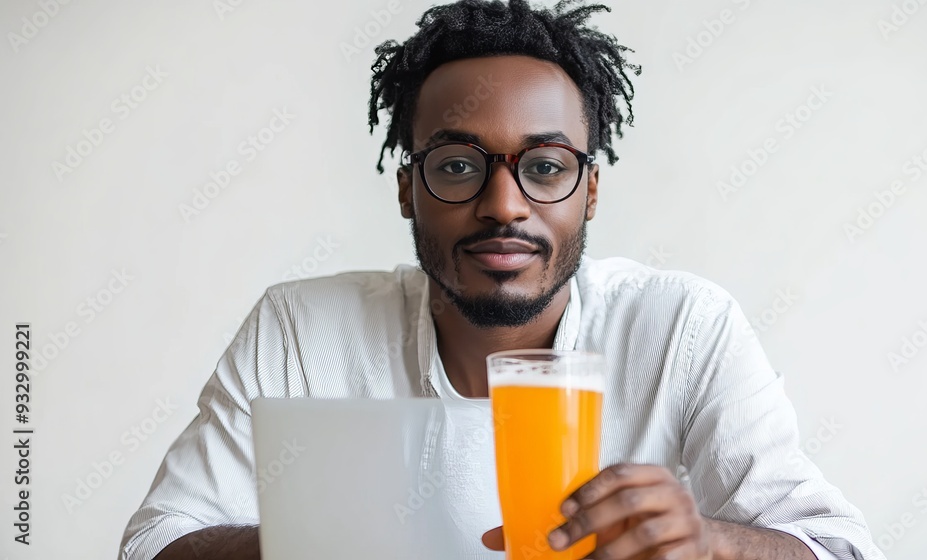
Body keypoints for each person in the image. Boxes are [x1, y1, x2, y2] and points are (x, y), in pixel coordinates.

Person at [120, 1, 886, 559]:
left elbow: (843, 549)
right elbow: (155, 543)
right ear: (405, 189)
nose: (502, 206)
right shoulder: (301, 328)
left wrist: (710, 544)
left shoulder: (684, 325)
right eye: (457, 166)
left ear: (589, 191)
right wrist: (318, 542)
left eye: (545, 167)